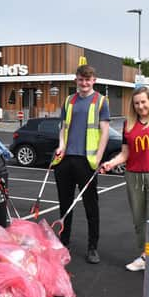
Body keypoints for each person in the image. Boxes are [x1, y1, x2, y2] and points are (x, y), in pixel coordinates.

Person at [101, 87, 149, 271]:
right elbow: (125, 153)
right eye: (136, 103)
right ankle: (146, 254)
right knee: (139, 220)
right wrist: (111, 163)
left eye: (143, 102)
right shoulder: (128, 124)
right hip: (134, 177)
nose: (140, 106)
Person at [52, 64, 110, 263]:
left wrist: (99, 158)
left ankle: (93, 247)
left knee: (91, 207)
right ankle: (64, 243)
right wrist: (61, 145)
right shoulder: (69, 101)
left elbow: (105, 132)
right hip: (65, 160)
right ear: (76, 80)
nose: (84, 83)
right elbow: (63, 128)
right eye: (81, 79)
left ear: (94, 80)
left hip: (87, 162)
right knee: (65, 205)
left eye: (88, 79)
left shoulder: (101, 101)